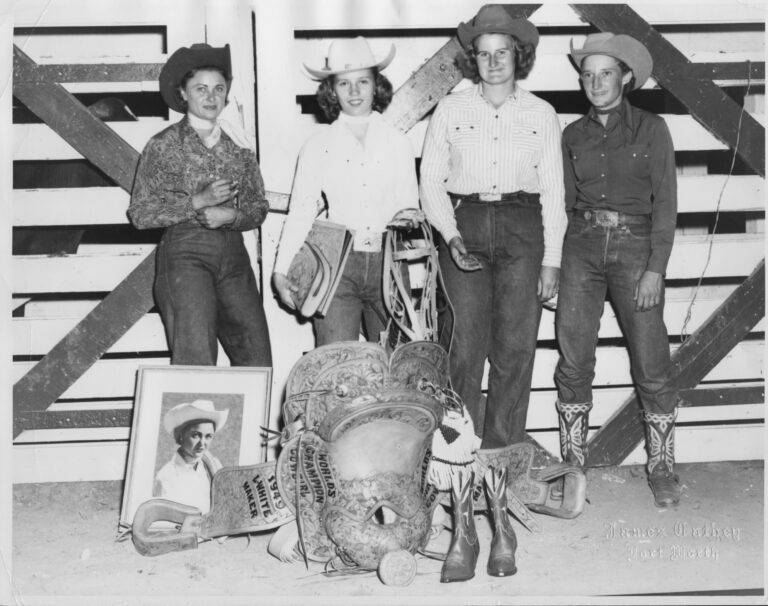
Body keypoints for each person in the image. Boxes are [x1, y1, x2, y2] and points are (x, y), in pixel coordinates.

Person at [420, 5, 567, 450]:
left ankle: (503, 451)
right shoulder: (449, 108)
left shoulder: (542, 113)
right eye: (485, 54)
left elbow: (555, 191)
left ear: (517, 55)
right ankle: (456, 452)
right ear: (474, 59)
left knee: (516, 347)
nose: (494, 61)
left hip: (524, 226)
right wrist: (452, 235)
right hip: (465, 223)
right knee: (464, 346)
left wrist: (552, 260)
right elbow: (429, 181)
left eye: (503, 52)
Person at [554, 33, 680, 507]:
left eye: (605, 73)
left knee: (652, 362)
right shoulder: (572, 136)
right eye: (587, 75)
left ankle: (662, 466)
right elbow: (563, 206)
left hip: (635, 247)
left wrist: (656, 269)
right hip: (580, 247)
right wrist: (556, 262)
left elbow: (666, 205)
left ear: (626, 77)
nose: (596, 83)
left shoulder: (653, 129)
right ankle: (572, 469)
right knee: (573, 360)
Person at [128, 43, 272, 367]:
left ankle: (251, 421)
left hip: (234, 259)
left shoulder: (239, 148)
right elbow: (140, 213)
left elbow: (258, 206)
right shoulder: (164, 145)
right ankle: (194, 419)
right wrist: (198, 202)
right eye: (201, 88)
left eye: (218, 88)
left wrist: (232, 216)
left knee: (257, 359)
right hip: (186, 255)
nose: (211, 97)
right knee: (196, 361)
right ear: (183, 93)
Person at [271, 37, 419, 345]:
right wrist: (280, 270)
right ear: (331, 91)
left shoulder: (398, 142)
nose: (354, 92)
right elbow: (301, 211)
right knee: (338, 364)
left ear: (375, 85)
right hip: (337, 264)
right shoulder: (317, 145)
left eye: (362, 81)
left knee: (396, 364)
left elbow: (408, 207)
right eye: (344, 84)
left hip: (388, 263)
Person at [154, 399, 228, 514]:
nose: (202, 443)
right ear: (181, 435)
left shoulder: (214, 466)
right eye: (196, 435)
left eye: (208, 436)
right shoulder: (166, 477)